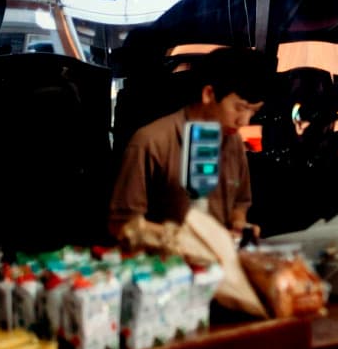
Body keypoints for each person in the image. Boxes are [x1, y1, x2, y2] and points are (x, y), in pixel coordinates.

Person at [107, 47, 270, 241]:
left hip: (216, 266)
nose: (244, 121)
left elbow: (240, 203)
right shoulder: (150, 142)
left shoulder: (232, 141)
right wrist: (180, 237)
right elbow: (122, 225)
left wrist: (239, 225)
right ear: (209, 94)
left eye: (253, 111)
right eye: (239, 108)